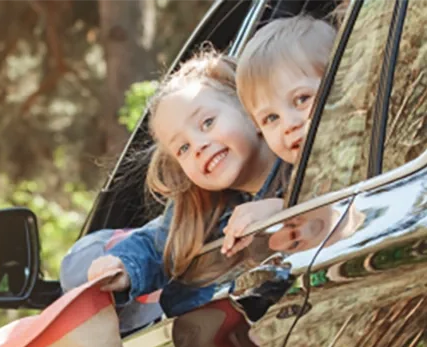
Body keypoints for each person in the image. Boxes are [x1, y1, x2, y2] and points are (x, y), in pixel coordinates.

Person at [81, 49, 284, 318]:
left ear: (250, 109)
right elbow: (159, 243)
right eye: (183, 148)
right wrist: (122, 265)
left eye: (208, 122)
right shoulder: (205, 212)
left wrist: (285, 210)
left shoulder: (314, 155)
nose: (198, 146)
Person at [222, 14, 338, 255]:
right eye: (271, 118)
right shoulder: (289, 182)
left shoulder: (368, 148)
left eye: (302, 99)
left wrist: (282, 209)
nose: (290, 124)